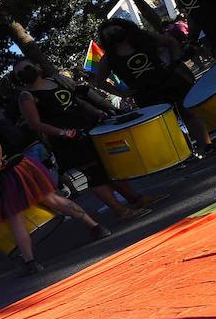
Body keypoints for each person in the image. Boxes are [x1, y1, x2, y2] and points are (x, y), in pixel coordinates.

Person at [0, 108, 110, 275]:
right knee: (53, 199)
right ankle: (95, 226)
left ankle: (30, 261)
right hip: (22, 166)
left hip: (6, 175)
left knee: (16, 218)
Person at [11, 58, 150, 220]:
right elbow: (35, 124)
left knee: (108, 168)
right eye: (19, 73)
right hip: (68, 140)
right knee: (94, 175)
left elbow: (77, 100)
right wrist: (64, 133)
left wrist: (98, 112)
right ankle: (121, 211)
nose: (25, 73)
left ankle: (137, 200)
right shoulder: (26, 96)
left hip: (88, 129)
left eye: (27, 68)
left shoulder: (56, 81)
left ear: (37, 67)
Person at [87, 17, 214, 152]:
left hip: (169, 80)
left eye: (116, 29)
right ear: (105, 38)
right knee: (166, 123)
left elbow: (170, 42)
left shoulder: (144, 38)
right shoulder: (109, 58)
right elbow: (100, 82)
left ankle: (206, 145)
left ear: (124, 28)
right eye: (109, 33)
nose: (114, 33)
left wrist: (176, 61)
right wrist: (122, 93)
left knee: (188, 113)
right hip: (145, 93)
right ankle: (187, 153)